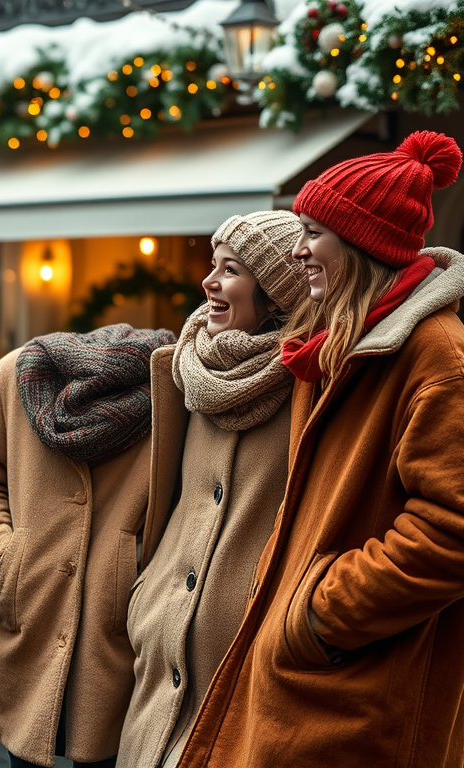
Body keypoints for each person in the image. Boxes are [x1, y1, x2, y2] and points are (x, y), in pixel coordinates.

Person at [175, 132, 464, 768]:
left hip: (362, 698)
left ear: (361, 244)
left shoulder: (436, 357)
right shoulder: (342, 345)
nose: (299, 252)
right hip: (314, 686)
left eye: (315, 233)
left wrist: (318, 611)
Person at [116, 210, 307, 768]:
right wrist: (146, 596)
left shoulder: (311, 383)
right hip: (160, 651)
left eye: (231, 271)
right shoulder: (184, 370)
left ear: (273, 295)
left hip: (251, 658)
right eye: (213, 266)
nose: (209, 282)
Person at [0, 320, 177, 767]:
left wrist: (142, 577)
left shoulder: (168, 391)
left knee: (108, 752)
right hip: (31, 608)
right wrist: (2, 559)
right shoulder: (12, 378)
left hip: (117, 626)